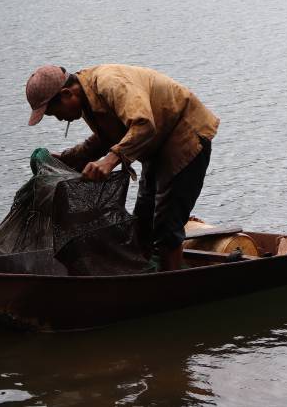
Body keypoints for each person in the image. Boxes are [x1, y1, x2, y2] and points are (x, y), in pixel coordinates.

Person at [25, 64, 219, 271]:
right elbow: (105, 138)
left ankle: (171, 288)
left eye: (55, 113)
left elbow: (144, 125)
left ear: (66, 93)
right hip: (156, 147)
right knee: (142, 222)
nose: (59, 118)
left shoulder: (110, 83)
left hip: (185, 136)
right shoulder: (87, 100)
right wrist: (68, 158)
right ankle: (145, 276)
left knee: (167, 225)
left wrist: (110, 160)